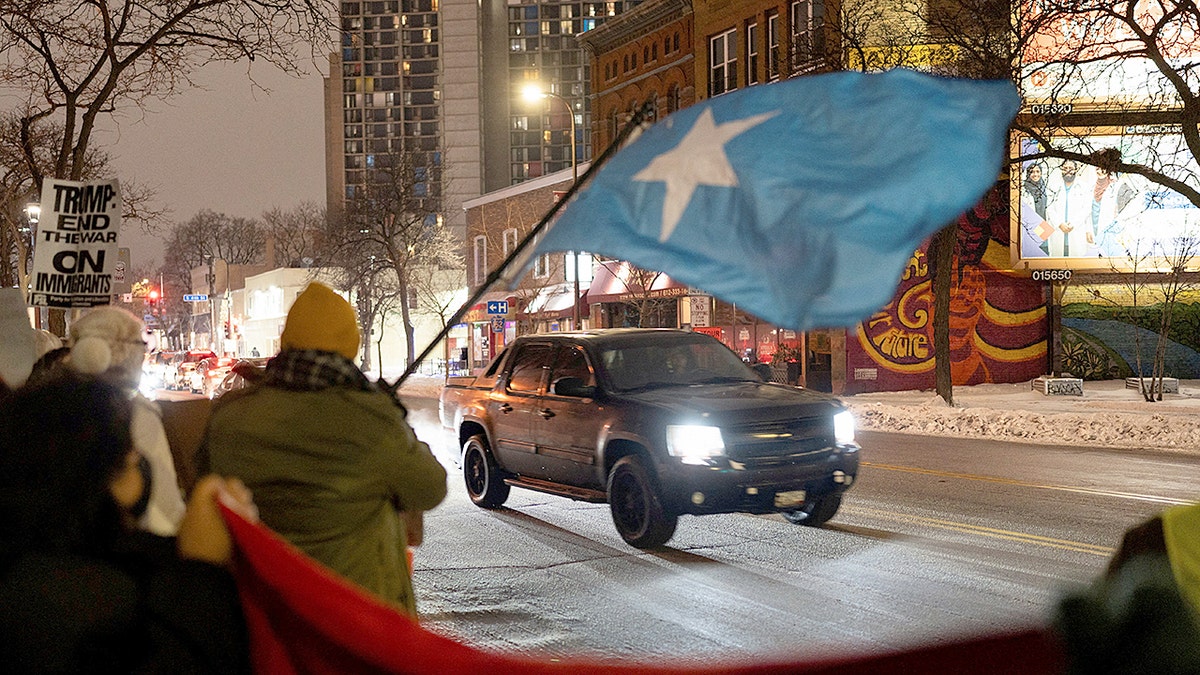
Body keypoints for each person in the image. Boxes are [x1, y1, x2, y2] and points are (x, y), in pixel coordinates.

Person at [197, 282, 447, 615]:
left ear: (287, 343)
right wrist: (393, 419)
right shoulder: (371, 419)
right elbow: (430, 488)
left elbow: (202, 487)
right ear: (350, 346)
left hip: (262, 612)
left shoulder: (229, 417)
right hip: (356, 617)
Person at [0, 374, 255, 673]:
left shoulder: (39, 562)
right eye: (129, 462)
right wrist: (203, 572)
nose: (141, 468)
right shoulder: (65, 606)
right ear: (88, 478)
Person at [65, 305, 188, 536]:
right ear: (126, 353)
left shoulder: (44, 405)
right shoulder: (134, 414)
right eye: (141, 347)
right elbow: (164, 509)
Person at [1044, 159, 1095, 258]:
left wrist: (1073, 223)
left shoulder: (1084, 187)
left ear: (1076, 170)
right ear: (1061, 170)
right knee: (1057, 260)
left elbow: (1086, 208)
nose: (1068, 170)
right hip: (1058, 230)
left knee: (1076, 261)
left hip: (1076, 230)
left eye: (1071, 168)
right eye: (1065, 168)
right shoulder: (1053, 187)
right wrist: (1060, 224)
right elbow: (1049, 208)